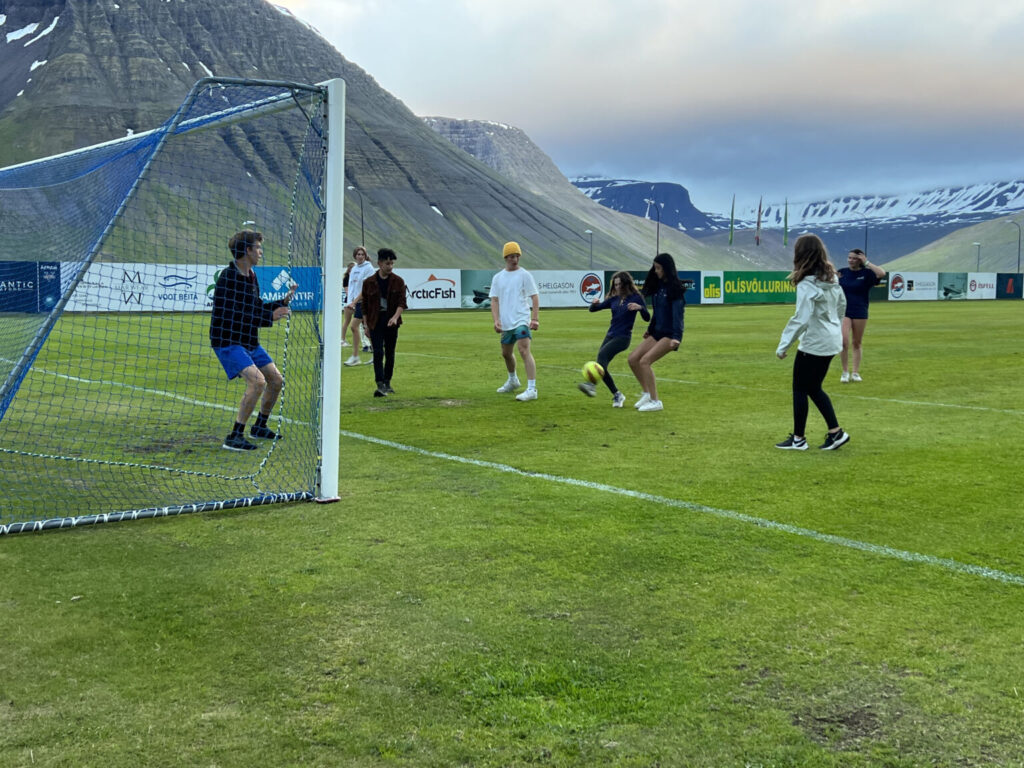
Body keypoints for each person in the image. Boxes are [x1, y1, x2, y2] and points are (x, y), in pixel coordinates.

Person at [210, 229, 295, 451]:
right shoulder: (228, 278)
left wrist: (280, 303)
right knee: (258, 382)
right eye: (258, 248)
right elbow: (235, 315)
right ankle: (234, 435)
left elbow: (254, 308)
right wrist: (270, 317)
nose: (261, 252)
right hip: (228, 340)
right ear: (247, 250)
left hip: (248, 340)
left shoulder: (252, 276)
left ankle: (260, 427)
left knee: (276, 380)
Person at [775, 233, 850, 451]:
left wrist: (783, 345)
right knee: (813, 388)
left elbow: (801, 318)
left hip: (815, 342)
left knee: (800, 387)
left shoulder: (807, 283)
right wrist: (834, 326)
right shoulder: (832, 279)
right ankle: (835, 432)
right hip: (830, 339)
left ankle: (799, 439)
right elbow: (842, 305)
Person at [579, 271, 650, 407]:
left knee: (601, 356)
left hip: (623, 337)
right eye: (615, 284)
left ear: (626, 284)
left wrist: (640, 308)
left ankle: (592, 385)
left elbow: (647, 317)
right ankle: (617, 395)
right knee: (602, 364)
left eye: (619, 284)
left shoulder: (636, 297)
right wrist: (594, 304)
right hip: (610, 335)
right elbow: (593, 310)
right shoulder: (614, 299)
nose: (617, 287)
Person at [628, 253, 685, 412]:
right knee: (633, 359)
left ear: (666, 269)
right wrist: (650, 330)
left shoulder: (675, 290)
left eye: (658, 268)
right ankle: (646, 393)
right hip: (657, 332)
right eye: (654, 267)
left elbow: (678, 317)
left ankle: (655, 401)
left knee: (645, 361)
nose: (655, 271)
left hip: (669, 334)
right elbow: (657, 313)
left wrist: (676, 338)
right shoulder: (659, 287)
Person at [490, 241, 540, 401]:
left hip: (521, 320)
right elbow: (495, 300)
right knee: (506, 353)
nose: (515, 259)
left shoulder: (525, 275)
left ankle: (532, 389)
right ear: (506, 257)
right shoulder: (498, 278)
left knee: (524, 350)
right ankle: (513, 380)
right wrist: (496, 320)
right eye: (512, 256)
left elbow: (534, 296)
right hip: (506, 322)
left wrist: (535, 318)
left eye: (517, 256)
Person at [359, 248, 407, 397]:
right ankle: (379, 383)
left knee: (390, 353)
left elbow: (402, 302)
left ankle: (387, 381)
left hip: (392, 322)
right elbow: (365, 306)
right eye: (387, 263)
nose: (390, 266)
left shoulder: (398, 281)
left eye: (392, 263)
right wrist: (365, 325)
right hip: (375, 321)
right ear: (380, 263)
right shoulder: (369, 282)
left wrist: (395, 317)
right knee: (378, 352)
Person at [838, 248, 886, 382]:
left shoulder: (867, 273)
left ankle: (855, 373)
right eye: (849, 257)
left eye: (854, 258)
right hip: (844, 310)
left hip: (860, 310)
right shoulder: (842, 272)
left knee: (857, 342)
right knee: (843, 341)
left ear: (860, 260)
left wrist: (867, 262)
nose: (851, 260)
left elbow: (881, 273)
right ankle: (845, 372)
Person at [343, 246, 375, 367]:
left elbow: (366, 289)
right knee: (368, 331)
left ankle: (356, 356)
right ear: (355, 256)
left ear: (365, 256)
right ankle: (375, 355)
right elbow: (352, 287)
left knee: (353, 326)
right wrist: (350, 302)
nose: (360, 256)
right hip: (357, 303)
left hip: (366, 302)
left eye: (362, 254)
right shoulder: (355, 268)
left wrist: (354, 302)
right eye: (358, 254)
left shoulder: (368, 268)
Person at [340, 261, 355, 347]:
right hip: (349, 302)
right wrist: (353, 302)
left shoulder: (356, 278)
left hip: (356, 301)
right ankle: (342, 340)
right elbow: (347, 291)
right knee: (347, 321)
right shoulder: (346, 278)